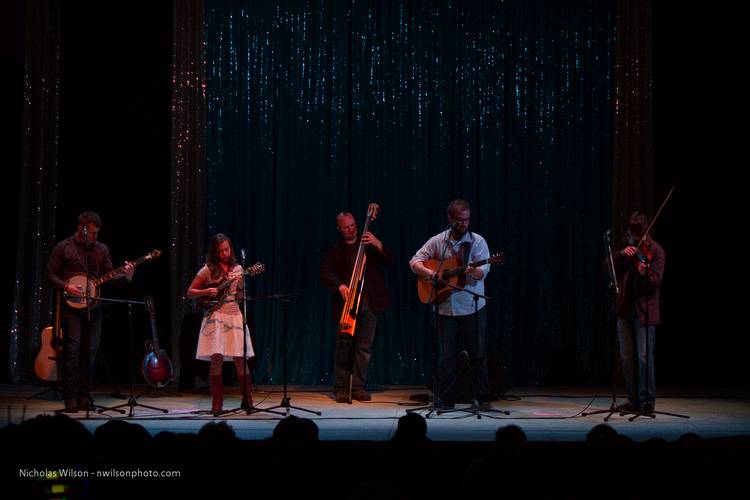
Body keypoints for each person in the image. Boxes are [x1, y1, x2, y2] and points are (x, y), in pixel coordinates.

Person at [47, 211, 134, 412]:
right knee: (73, 351)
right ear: (82, 229)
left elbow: (110, 276)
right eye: (93, 233)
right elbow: (49, 273)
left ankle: (85, 396)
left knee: (91, 352)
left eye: (97, 233)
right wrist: (66, 286)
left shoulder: (101, 249)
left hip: (94, 307)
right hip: (72, 307)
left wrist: (125, 275)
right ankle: (70, 398)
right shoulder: (63, 247)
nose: (96, 237)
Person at [409, 199, 492, 410]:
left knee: (477, 354)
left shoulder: (477, 242)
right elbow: (415, 261)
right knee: (446, 357)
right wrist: (432, 273)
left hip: (471, 307)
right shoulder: (438, 241)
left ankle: (482, 399)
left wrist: (474, 271)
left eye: (467, 220)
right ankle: (446, 399)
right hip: (445, 308)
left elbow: (484, 272)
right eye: (459, 221)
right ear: (450, 219)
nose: (464, 224)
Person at [320, 210, 393, 403]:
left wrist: (377, 243)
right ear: (339, 229)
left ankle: (358, 386)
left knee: (364, 347)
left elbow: (389, 261)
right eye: (346, 227)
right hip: (347, 307)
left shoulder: (368, 246)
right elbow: (325, 272)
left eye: (353, 225)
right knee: (344, 347)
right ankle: (342, 388)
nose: (351, 229)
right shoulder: (336, 250)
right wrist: (340, 286)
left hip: (369, 304)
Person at [186, 233, 255, 415]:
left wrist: (240, 287)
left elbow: (240, 298)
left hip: (234, 315)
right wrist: (205, 291)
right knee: (216, 359)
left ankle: (247, 399)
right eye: (221, 251)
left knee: (241, 358)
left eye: (227, 249)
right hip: (216, 316)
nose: (225, 253)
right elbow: (190, 292)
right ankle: (217, 402)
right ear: (215, 253)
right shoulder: (207, 270)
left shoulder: (238, 269)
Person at [613, 211, 664, 415]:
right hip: (625, 309)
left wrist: (644, 274)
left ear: (646, 230)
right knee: (626, 358)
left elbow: (656, 281)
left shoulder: (656, 251)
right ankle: (632, 400)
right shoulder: (625, 248)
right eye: (630, 233)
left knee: (644, 358)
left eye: (636, 234)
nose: (633, 238)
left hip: (645, 312)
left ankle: (647, 401)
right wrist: (621, 254)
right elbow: (606, 267)